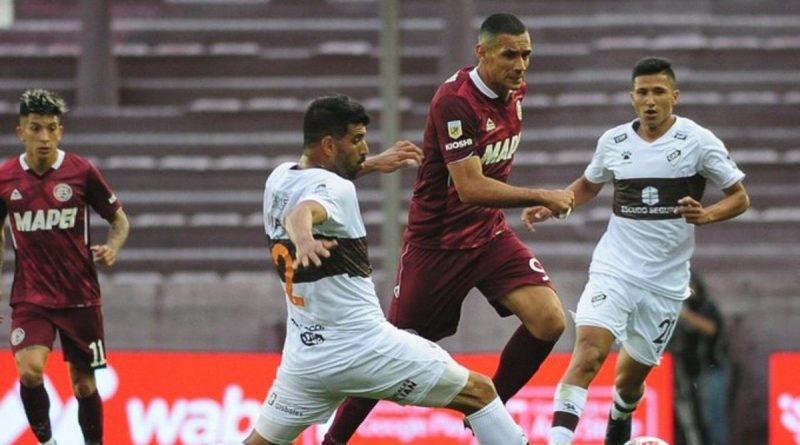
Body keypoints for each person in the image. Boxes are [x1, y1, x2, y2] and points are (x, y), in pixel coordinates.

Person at [323, 12, 574, 444]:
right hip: (437, 245)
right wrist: (541, 195)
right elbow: (470, 187)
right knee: (391, 350)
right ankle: (333, 441)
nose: (520, 65)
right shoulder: (455, 101)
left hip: (488, 235)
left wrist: (527, 200)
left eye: (526, 54)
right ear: (482, 53)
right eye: (509, 55)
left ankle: (487, 412)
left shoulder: (515, 90)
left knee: (549, 320)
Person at [245, 94, 531, 445]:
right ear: (329, 145)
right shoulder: (333, 191)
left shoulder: (279, 178)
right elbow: (302, 211)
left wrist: (372, 164)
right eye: (356, 140)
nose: (365, 148)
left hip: (305, 360)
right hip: (362, 346)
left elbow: (312, 189)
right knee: (481, 392)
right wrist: (304, 239)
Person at [522, 56, 750, 445]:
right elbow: (590, 184)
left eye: (658, 92)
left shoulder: (698, 141)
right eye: (642, 92)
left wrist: (707, 214)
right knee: (588, 353)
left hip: (665, 283)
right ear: (632, 97)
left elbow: (740, 197)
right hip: (615, 267)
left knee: (628, 384)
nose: (650, 101)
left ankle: (620, 414)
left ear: (674, 96)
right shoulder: (613, 142)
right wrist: (554, 203)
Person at [0, 89, 130, 445]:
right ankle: (48, 442)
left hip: (80, 298)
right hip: (31, 296)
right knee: (29, 372)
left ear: (60, 131)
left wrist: (113, 248)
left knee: (84, 385)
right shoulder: (6, 178)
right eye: (36, 128)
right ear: (21, 132)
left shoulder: (81, 172)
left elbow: (119, 220)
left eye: (51, 128)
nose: (44, 137)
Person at [671, 273, 732, 445]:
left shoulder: (707, 308)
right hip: (689, 372)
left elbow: (712, 328)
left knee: (712, 418)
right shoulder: (681, 309)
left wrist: (685, 315)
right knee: (695, 419)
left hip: (711, 370)